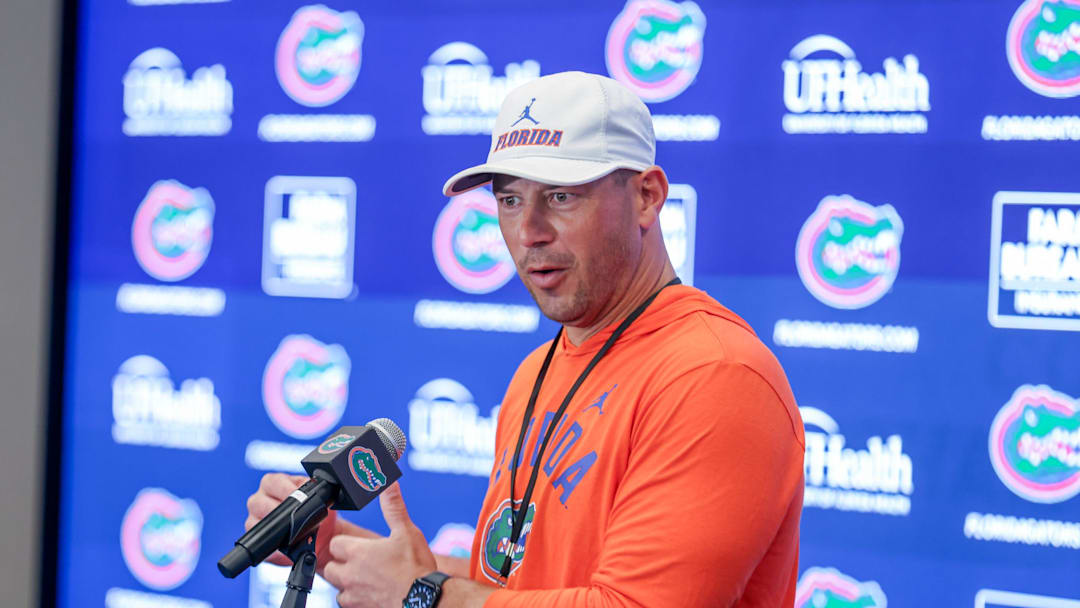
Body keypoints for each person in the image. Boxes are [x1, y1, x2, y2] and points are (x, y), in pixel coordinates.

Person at [245, 71, 805, 608]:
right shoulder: (541, 366)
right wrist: (337, 546)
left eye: (560, 196)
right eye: (510, 200)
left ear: (647, 197)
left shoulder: (715, 375)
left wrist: (421, 597)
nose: (529, 231)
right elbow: (515, 583)